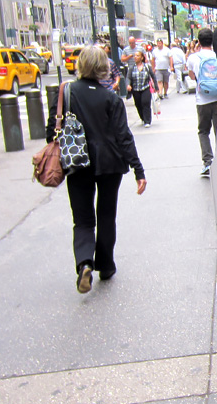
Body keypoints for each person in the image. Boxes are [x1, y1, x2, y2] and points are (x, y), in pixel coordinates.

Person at [46, 46, 147, 294]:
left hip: (76, 162)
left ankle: (84, 262)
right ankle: (106, 264)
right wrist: (138, 170)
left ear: (80, 66)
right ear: (103, 68)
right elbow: (124, 136)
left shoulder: (66, 92)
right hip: (110, 163)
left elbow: (51, 131)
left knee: (82, 219)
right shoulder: (111, 99)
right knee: (106, 214)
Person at [187, 28, 217, 176]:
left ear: (198, 41)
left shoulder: (193, 58)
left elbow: (192, 77)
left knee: (203, 131)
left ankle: (207, 162)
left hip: (202, 100)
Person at [126, 50, 155, 128]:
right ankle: (142, 117)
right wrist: (128, 85)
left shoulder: (147, 66)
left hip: (145, 87)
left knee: (145, 103)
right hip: (136, 89)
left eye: (137, 55)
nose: (135, 57)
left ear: (142, 57)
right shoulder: (132, 68)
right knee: (138, 104)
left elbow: (153, 76)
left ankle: (147, 120)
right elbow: (128, 77)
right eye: (135, 55)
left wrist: (156, 86)